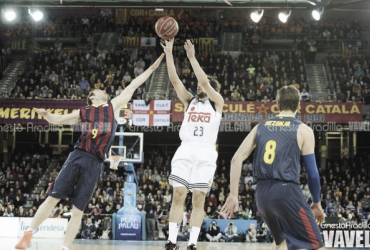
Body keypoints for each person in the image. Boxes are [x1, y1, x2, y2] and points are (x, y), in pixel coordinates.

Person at [14, 54, 165, 250]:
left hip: (95, 163)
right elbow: (59, 121)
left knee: (78, 210)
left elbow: (133, 85)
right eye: (98, 90)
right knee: (53, 198)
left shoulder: (113, 106)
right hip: (78, 155)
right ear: (92, 97)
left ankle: (65, 247)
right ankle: (28, 233)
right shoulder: (83, 112)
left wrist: (152, 68)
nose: (103, 90)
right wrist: (46, 115)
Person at [221, 85, 326, 250]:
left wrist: (234, 194)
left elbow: (236, 159)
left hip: (262, 194)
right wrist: (317, 203)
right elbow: (312, 174)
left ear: (277, 104)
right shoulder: (303, 130)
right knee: (315, 245)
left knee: (281, 242)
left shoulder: (261, 126)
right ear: (299, 105)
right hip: (286, 192)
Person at [161, 39, 224, 250]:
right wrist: (169, 53)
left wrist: (192, 58)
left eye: (202, 85)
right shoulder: (190, 101)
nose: (199, 86)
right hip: (186, 149)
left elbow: (205, 82)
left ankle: (192, 244)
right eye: (197, 84)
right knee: (178, 194)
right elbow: (174, 79)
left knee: (199, 198)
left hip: (206, 153)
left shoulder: (217, 103)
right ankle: (171, 241)